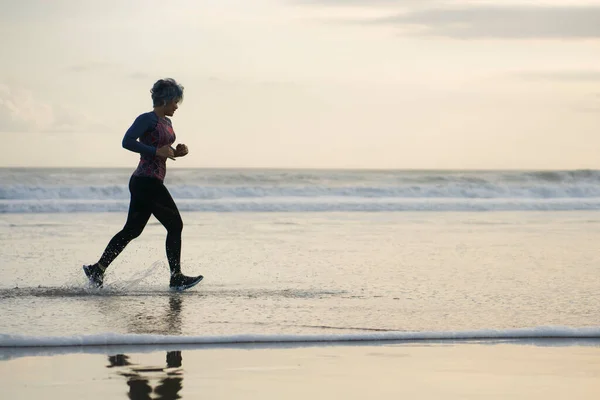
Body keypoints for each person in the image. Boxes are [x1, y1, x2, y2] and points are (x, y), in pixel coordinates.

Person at [83, 78, 203, 291]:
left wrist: (177, 152)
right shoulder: (147, 119)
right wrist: (157, 151)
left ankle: (97, 269)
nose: (177, 106)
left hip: (148, 182)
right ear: (165, 100)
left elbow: (162, 151)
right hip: (145, 181)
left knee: (132, 230)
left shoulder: (167, 122)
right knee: (175, 225)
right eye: (175, 101)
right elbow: (127, 141)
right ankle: (176, 277)